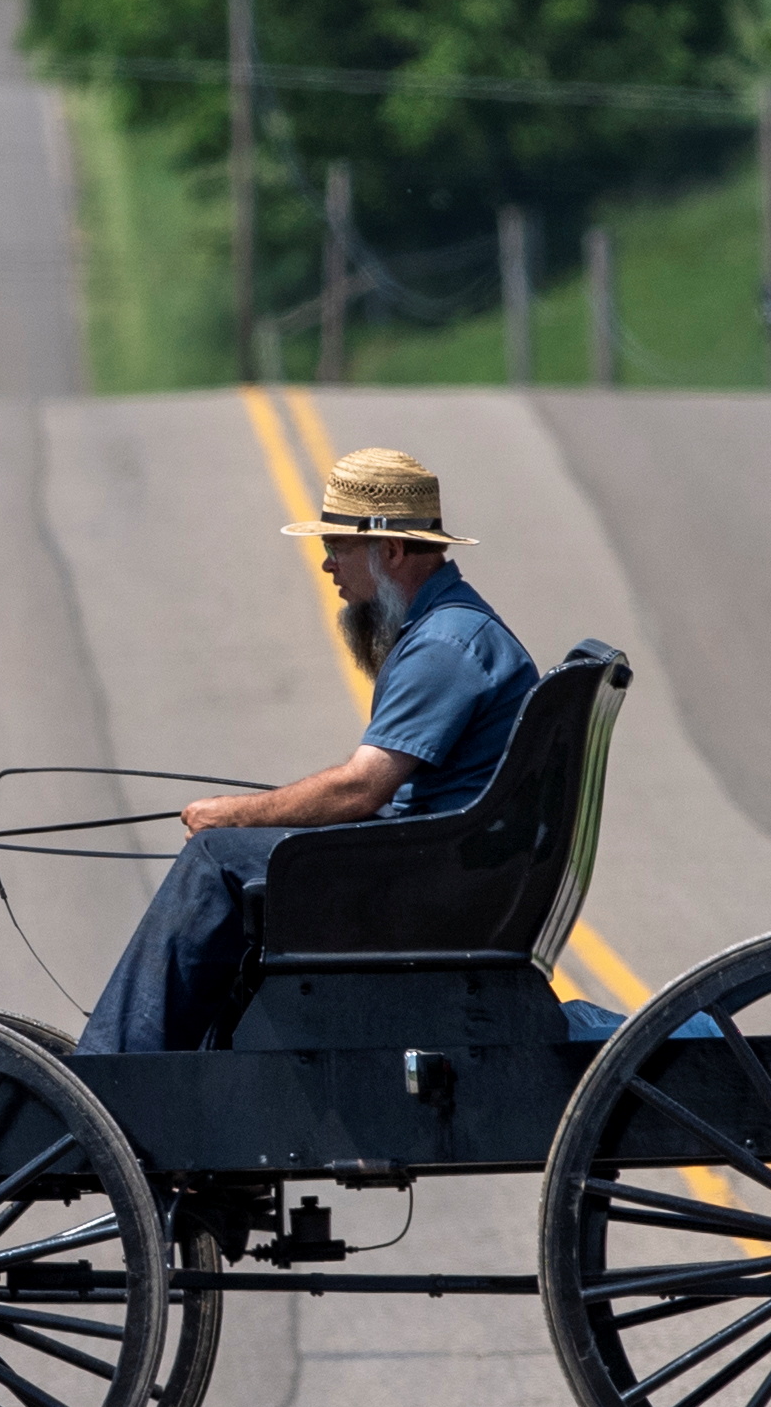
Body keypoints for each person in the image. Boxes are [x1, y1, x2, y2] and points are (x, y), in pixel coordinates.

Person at [75, 446, 539, 1055]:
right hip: (435, 865)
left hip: (425, 880)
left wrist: (233, 813)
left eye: (338, 548)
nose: (326, 566)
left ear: (392, 550)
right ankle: (190, 1058)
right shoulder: (445, 629)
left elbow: (361, 787)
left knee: (219, 857)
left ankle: (111, 1069)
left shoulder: (446, 645)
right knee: (238, 851)